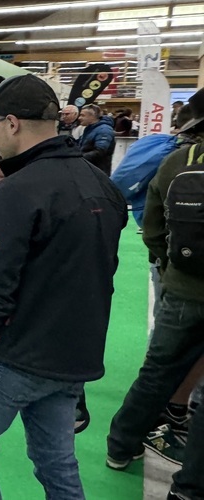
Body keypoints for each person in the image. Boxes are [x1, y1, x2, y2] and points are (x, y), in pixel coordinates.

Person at [0, 74, 127, 499]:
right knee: (57, 463)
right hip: (73, 360)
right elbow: (103, 276)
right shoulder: (104, 186)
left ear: (12, 123)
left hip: (17, 356)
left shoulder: (18, 191)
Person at [106, 87, 204, 500]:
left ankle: (121, 445)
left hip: (181, 286)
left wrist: (169, 266)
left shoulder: (178, 161)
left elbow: (152, 226)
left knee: (157, 370)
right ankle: (190, 487)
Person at [78, 104, 116, 175]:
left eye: (82, 115)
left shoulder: (104, 130)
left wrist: (79, 158)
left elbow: (100, 151)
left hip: (97, 173)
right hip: (89, 170)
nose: (79, 118)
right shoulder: (90, 129)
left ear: (92, 116)